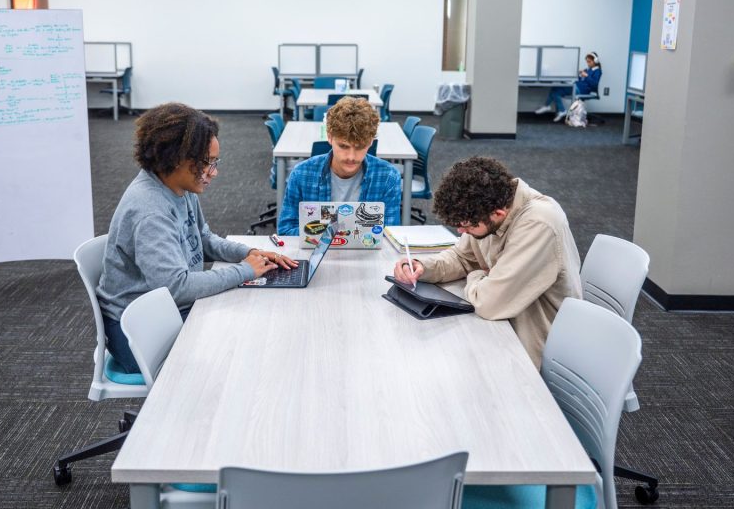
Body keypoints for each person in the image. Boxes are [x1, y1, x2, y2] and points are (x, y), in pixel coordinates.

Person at [97, 103, 298, 373]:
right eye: (207, 163)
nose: (213, 172)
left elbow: (202, 238)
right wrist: (244, 271)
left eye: (215, 162)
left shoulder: (179, 186)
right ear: (175, 157)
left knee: (254, 318)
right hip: (139, 334)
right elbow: (176, 287)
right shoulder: (150, 211)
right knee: (246, 340)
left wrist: (249, 253)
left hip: (167, 309)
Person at [392, 157, 581, 368]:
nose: (461, 232)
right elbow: (462, 257)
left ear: (498, 213)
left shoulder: (539, 224)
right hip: (504, 329)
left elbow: (489, 303)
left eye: (467, 226)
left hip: (535, 350)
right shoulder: (486, 207)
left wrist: (477, 276)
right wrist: (423, 267)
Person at [277, 96, 402, 235]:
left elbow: (390, 235)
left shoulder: (388, 177)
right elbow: (285, 230)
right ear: (329, 137)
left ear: (371, 141)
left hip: (367, 256)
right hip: (315, 254)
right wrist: (325, 236)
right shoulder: (301, 174)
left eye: (360, 147)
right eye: (343, 146)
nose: (351, 157)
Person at [535, 51, 602, 122]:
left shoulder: (597, 71)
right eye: (587, 62)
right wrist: (578, 75)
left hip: (581, 90)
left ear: (595, 61)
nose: (588, 63)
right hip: (576, 86)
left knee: (556, 90)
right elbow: (580, 80)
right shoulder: (587, 70)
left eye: (589, 62)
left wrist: (586, 76)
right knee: (555, 90)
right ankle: (559, 110)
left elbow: (594, 84)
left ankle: (551, 107)